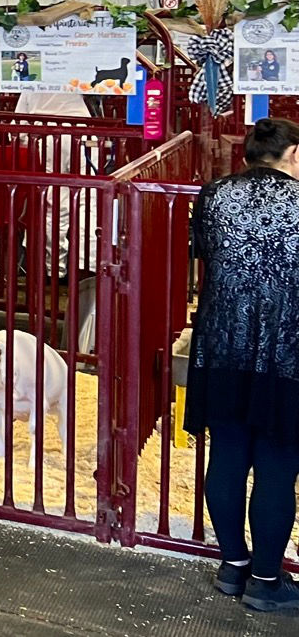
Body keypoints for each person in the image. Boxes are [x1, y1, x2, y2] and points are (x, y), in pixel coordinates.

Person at [185, 117, 299, 613]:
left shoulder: (213, 195)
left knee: (227, 453)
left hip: (222, 343)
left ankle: (233, 566)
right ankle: (267, 580)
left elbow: (206, 254)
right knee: (277, 462)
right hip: (285, 349)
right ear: (292, 155)